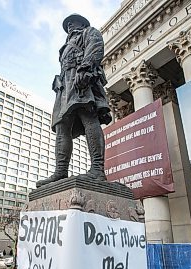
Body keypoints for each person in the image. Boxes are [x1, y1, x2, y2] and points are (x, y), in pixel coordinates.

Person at [36, 14, 112, 188]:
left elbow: (95, 48)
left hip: (80, 79)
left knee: (88, 118)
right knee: (62, 126)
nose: (69, 25)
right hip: (64, 87)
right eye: (67, 24)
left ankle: (97, 169)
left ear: (82, 23)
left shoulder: (89, 32)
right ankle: (60, 171)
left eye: (73, 22)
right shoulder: (64, 47)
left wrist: (85, 69)